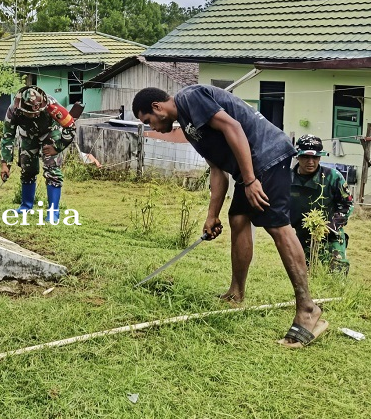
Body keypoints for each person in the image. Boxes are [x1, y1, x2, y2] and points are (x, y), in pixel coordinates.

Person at [132, 85, 327, 349]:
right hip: (250, 168)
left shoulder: (190, 98)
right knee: (237, 218)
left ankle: (308, 310)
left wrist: (249, 180)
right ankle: (236, 293)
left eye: (148, 121)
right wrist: (212, 216)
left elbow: (234, 128)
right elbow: (217, 170)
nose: (152, 127)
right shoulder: (189, 126)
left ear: (157, 107)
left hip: (267, 156)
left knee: (278, 227)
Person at [0, 86, 77, 223]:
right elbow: (8, 137)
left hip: (50, 132)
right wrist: (5, 163)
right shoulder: (13, 110)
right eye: (30, 113)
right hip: (28, 134)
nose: (35, 115)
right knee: (27, 167)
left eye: (37, 112)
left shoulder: (52, 105)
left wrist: (57, 147)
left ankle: (53, 212)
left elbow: (70, 125)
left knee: (52, 169)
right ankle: (26, 206)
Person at [290, 134, 353, 275]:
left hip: (331, 235)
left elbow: (347, 204)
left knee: (337, 274)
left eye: (315, 157)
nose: (311, 162)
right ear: (298, 156)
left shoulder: (333, 177)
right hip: (301, 237)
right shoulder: (287, 180)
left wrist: (331, 225)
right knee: (303, 275)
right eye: (306, 157)